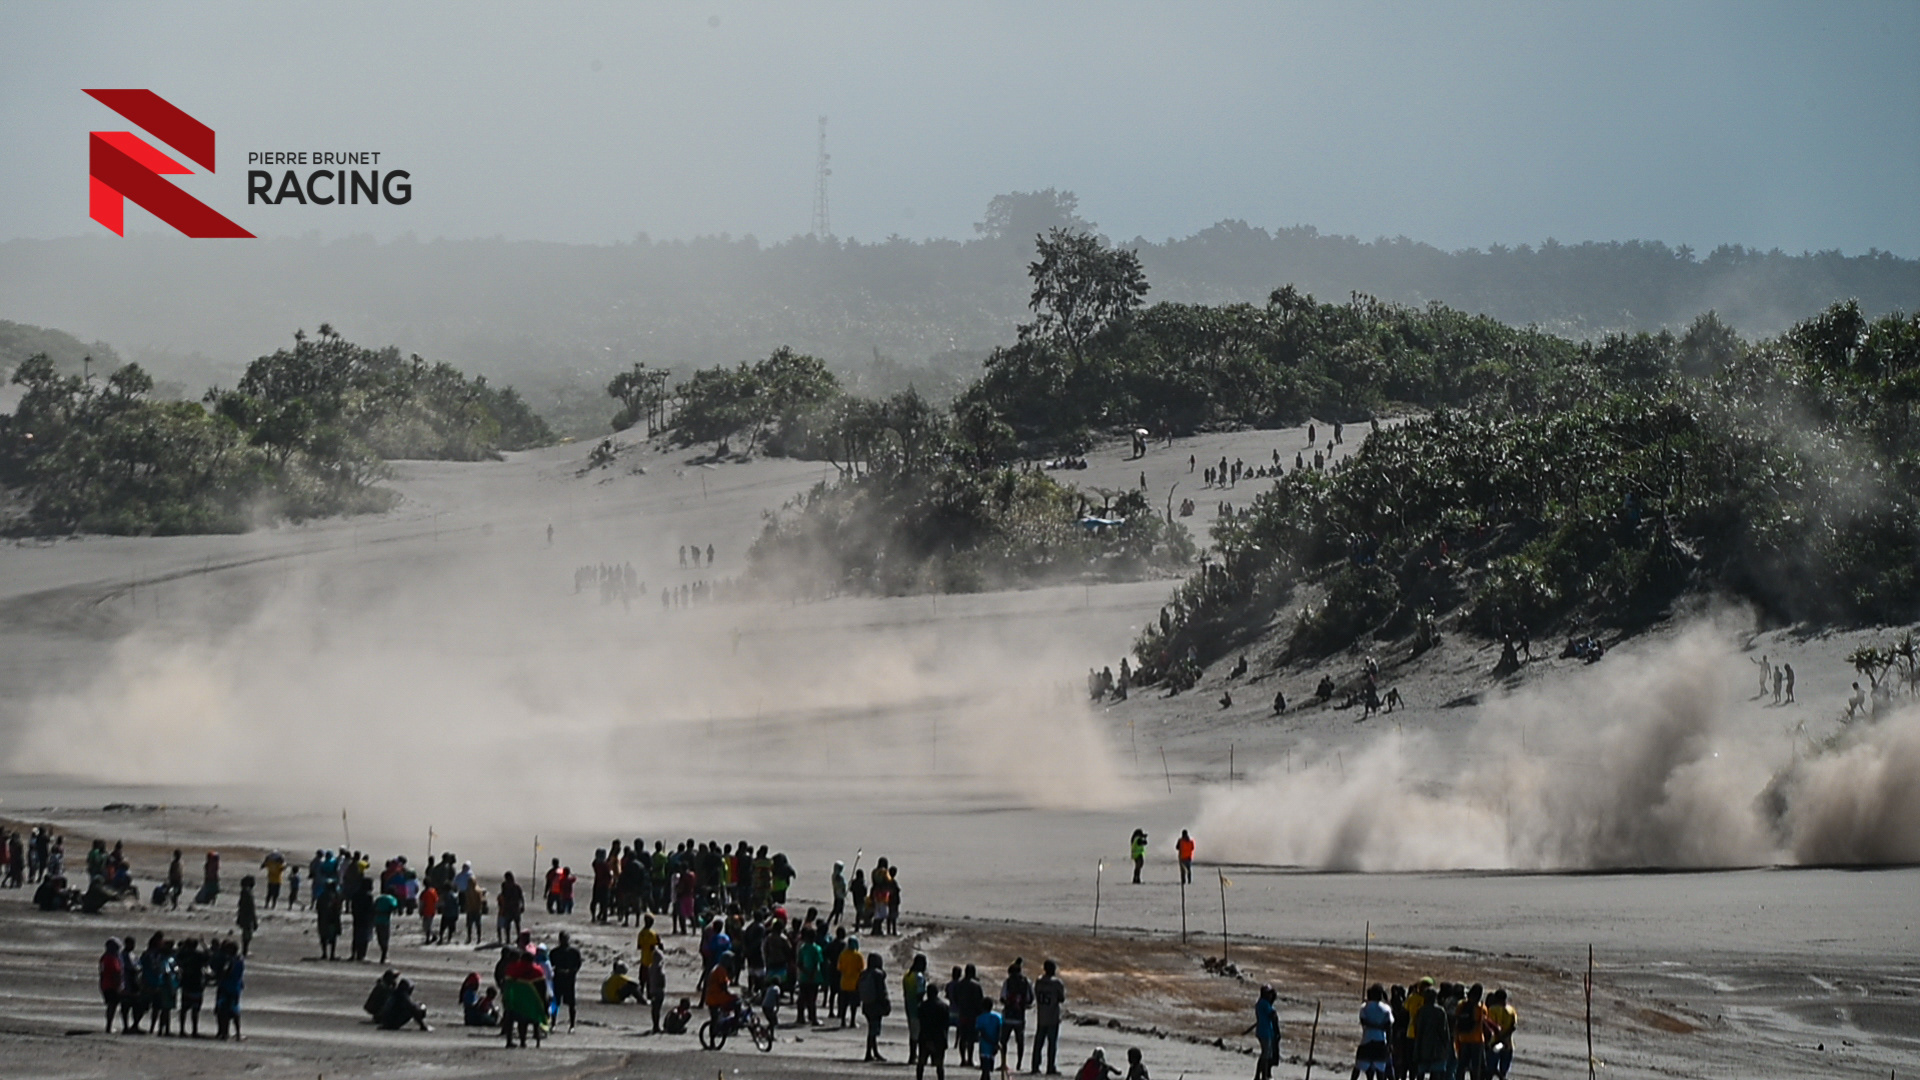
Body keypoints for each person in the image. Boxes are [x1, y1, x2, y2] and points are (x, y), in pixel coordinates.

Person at [1353, 983, 1393, 1079]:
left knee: (1358, 1067)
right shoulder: (1386, 1009)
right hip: (1380, 1041)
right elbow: (1389, 1027)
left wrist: (1373, 1026)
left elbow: (1363, 1022)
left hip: (1366, 1040)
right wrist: (1389, 1044)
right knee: (1380, 1071)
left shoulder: (1364, 1007)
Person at [1032, 958, 1066, 1074]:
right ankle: (1050, 1067)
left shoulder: (1039, 981)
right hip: (1052, 1016)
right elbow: (1061, 998)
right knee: (1052, 1044)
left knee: (1038, 1043)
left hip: (1041, 1015)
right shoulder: (1057, 983)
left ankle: (1035, 1065)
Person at [1001, 957, 1033, 1069]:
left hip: (1008, 1016)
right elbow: (1030, 999)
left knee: (1003, 1041)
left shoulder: (1008, 982)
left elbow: (1002, 997)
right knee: (1020, 1041)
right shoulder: (1025, 982)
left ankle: (1003, 1062)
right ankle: (1019, 1063)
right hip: (1020, 1016)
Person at [859, 951, 891, 1061]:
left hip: (867, 1005)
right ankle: (870, 1053)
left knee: (871, 1029)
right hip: (876, 1005)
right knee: (873, 1030)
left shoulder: (864, 973)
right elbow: (881, 991)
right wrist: (886, 1003)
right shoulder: (878, 974)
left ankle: (873, 1052)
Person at [1245, 984, 1280, 1080]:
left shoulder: (1262, 1003)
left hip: (1265, 1031)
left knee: (1266, 1054)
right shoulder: (1264, 1003)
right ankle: (1261, 1075)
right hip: (1265, 1032)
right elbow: (1272, 1014)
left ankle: (1261, 1075)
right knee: (1265, 1054)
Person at [550, 931, 583, 1030]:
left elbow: (578, 965)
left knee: (571, 1004)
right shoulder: (555, 952)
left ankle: (572, 1025)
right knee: (555, 1003)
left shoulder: (574, 952)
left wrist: (571, 972)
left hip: (569, 980)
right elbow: (551, 965)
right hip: (558, 979)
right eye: (562, 938)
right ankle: (553, 1023)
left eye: (565, 938)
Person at [212, 939, 244, 1041]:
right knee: (234, 1010)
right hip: (235, 987)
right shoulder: (240, 960)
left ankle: (223, 1032)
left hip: (226, 987)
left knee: (223, 1010)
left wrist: (218, 978)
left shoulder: (230, 961)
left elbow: (226, 972)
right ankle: (238, 1033)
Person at [905, 953, 931, 1066]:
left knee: (912, 1032)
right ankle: (914, 1056)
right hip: (917, 1008)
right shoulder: (919, 977)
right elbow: (920, 994)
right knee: (918, 1034)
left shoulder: (907, 975)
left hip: (908, 1006)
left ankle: (912, 1054)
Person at [1485, 989, 1516, 1079]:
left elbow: (1490, 1026)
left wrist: (1499, 1037)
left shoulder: (1492, 1010)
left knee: (1490, 1070)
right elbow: (1513, 1026)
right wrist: (1505, 1036)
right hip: (1507, 1044)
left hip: (1494, 1043)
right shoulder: (1511, 1010)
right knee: (1503, 1072)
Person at [98, 939, 124, 1033]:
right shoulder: (112, 958)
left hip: (105, 983)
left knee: (111, 1005)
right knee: (112, 1005)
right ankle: (108, 1027)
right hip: (112, 985)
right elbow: (116, 972)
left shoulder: (104, 957)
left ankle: (108, 1026)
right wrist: (119, 985)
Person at [975, 1002, 1004, 1080]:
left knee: (985, 1068)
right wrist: (997, 1041)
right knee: (988, 1067)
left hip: (985, 1045)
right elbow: (1000, 1030)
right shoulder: (998, 1016)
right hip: (993, 1045)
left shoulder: (980, 1018)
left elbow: (981, 1032)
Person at [497, 872, 524, 943]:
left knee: (516, 925)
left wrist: (522, 905)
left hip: (513, 908)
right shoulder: (505, 886)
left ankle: (518, 938)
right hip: (509, 908)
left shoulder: (516, 887)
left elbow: (521, 897)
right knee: (508, 925)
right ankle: (508, 939)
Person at [236, 875, 260, 956]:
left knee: (246, 934)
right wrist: (255, 920)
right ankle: (245, 951)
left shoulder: (244, 892)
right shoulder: (248, 893)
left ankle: (245, 950)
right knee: (247, 935)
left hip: (243, 916)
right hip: (247, 917)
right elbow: (251, 908)